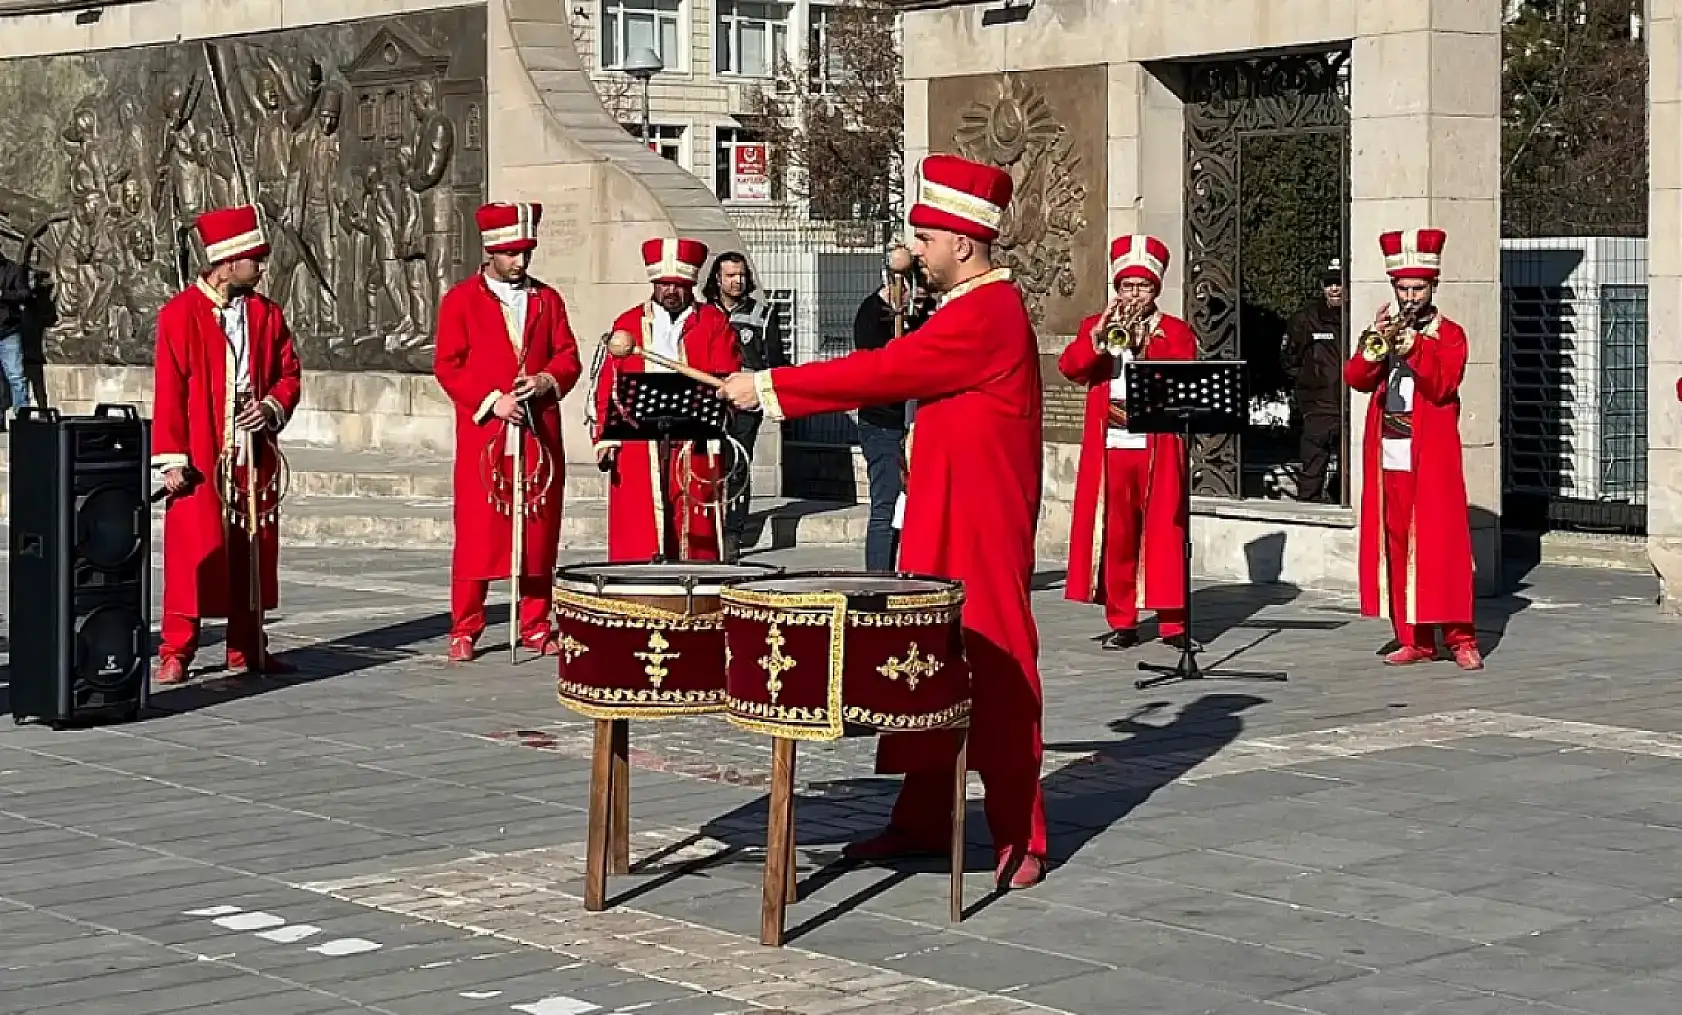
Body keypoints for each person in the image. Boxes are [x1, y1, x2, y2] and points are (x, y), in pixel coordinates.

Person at [718, 154, 1049, 890]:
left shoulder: (988, 313)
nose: (915, 251)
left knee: (996, 665)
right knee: (924, 658)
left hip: (982, 520)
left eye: (925, 238)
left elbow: (883, 372)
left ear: (963, 242)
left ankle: (1019, 830)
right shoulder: (967, 308)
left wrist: (768, 384)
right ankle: (925, 814)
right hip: (944, 511)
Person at [151, 204, 303, 685]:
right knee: (193, 550)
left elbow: (288, 373)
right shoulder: (180, 315)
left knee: (251, 546)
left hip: (251, 449)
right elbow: (170, 391)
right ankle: (177, 648)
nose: (261, 268)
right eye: (254, 259)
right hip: (200, 451)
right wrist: (171, 460)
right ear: (229, 261)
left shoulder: (265, 314)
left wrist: (273, 406)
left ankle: (247, 645)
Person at [433, 202, 583, 663]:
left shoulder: (547, 300)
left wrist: (544, 381)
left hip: (538, 433)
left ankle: (537, 621)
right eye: (512, 253)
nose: (521, 262)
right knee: (479, 531)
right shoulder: (460, 300)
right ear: (491, 251)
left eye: (526, 252)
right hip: (487, 435)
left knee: (538, 530)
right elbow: (448, 365)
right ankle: (466, 625)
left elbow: (568, 356)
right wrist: (491, 401)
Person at [1345, 228, 1482, 670]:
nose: (1409, 296)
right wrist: (1375, 343)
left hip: (1433, 455)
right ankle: (1414, 639)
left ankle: (1461, 638)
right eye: (1402, 288)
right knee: (1397, 544)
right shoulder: (1386, 327)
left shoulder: (1451, 334)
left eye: (1417, 288)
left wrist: (1416, 347)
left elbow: (1443, 385)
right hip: (1390, 452)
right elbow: (1356, 379)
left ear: (1433, 287)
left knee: (1444, 547)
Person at [1059, 235, 1194, 651]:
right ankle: (1123, 620)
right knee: (1117, 536)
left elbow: (1185, 376)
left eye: (1143, 287)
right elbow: (1072, 368)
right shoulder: (1095, 326)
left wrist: (1145, 346)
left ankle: (1174, 624)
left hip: (1156, 447)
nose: (1134, 295)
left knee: (1165, 536)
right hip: (1112, 446)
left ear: (1156, 290)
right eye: (1127, 286)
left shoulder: (1173, 331)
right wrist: (1098, 340)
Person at [595, 238, 743, 561]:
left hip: (694, 441)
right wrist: (604, 439)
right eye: (663, 284)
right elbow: (607, 384)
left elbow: (728, 377)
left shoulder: (714, 323)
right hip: (639, 443)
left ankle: (693, 596)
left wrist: (722, 403)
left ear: (691, 284)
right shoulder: (627, 324)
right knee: (641, 528)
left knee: (695, 528)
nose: (671, 291)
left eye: (678, 284)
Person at [851, 249, 935, 571]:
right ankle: (879, 578)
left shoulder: (925, 311)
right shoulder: (872, 313)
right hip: (883, 424)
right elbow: (874, 369)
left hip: (918, 421)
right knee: (886, 505)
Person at [701, 252, 787, 562]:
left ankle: (733, 532)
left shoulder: (762, 314)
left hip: (745, 403)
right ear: (717, 279)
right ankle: (706, 525)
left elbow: (774, 360)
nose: (738, 281)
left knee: (738, 465)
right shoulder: (702, 312)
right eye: (731, 276)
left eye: (742, 275)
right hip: (708, 400)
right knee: (707, 465)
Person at [1282, 259, 1345, 502]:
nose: (1335, 289)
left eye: (1338, 283)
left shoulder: (1358, 314)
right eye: (1329, 283)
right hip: (1318, 408)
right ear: (1322, 286)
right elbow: (1289, 360)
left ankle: (1337, 496)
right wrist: (1312, 385)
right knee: (1312, 471)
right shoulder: (1305, 319)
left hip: (1351, 406)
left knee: (1351, 472)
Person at [0, 246, 31, 426]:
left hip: (8, 330)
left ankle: (23, 419)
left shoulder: (12, 269)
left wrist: (4, 295)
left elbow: (25, 293)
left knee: (16, 376)